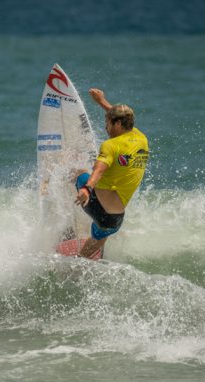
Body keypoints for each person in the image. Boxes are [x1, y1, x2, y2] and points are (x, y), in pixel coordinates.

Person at [74, 88, 149, 258]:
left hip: (101, 211)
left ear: (117, 124)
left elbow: (98, 170)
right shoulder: (141, 138)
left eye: (107, 122)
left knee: (77, 172)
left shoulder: (111, 145)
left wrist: (86, 188)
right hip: (116, 220)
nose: (105, 126)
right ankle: (85, 257)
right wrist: (102, 101)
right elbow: (119, 116)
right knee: (100, 234)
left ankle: (72, 221)